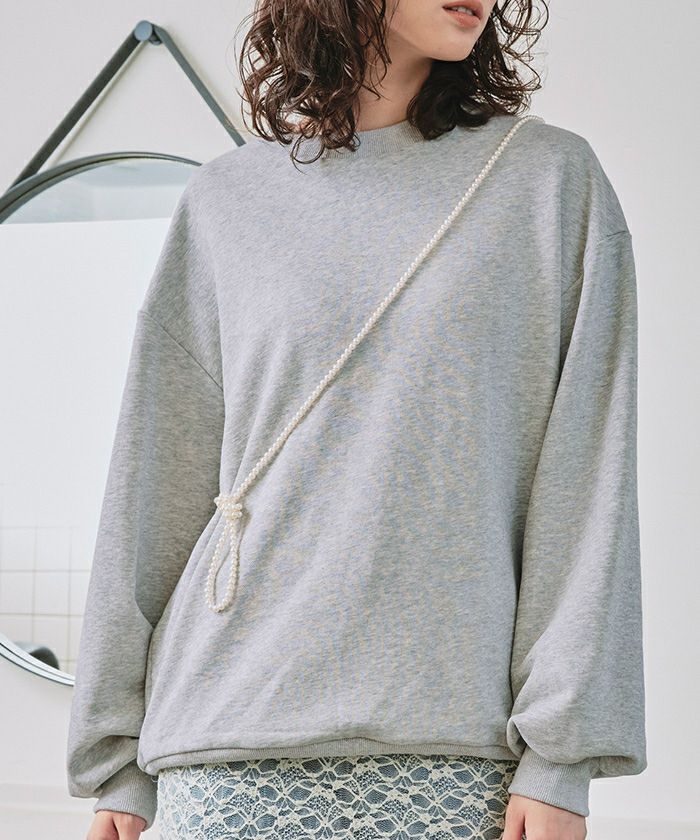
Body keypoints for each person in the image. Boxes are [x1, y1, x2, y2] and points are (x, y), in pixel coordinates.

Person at [66, 1, 648, 838]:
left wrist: (563, 760)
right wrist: (116, 768)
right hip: (221, 750)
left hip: (454, 758)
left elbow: (588, 484)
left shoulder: (548, 180)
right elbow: (155, 482)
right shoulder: (226, 200)